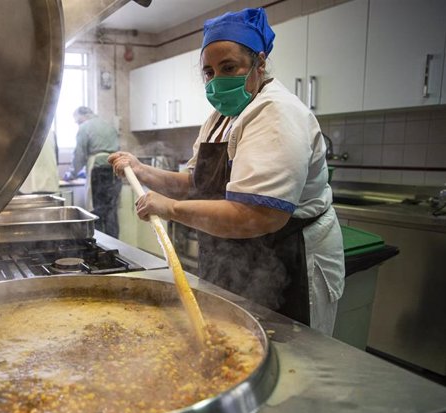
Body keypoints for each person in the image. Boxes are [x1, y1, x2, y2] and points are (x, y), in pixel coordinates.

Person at [109, 8, 344, 334]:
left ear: (259, 63)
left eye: (229, 67)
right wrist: (141, 170)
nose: (217, 80)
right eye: (209, 71)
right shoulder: (219, 118)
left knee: (294, 361)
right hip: (239, 255)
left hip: (289, 258)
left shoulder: (276, 113)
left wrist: (171, 209)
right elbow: (195, 183)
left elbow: (261, 215)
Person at [69, 106, 121, 237]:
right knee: (111, 211)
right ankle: (115, 246)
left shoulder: (84, 127)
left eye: (78, 121)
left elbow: (79, 155)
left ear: (83, 117)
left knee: (97, 210)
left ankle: (101, 244)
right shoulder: (108, 125)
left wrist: (72, 173)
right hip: (114, 170)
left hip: (98, 172)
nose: (78, 124)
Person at [19, 129, 60, 195]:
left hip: (30, 189)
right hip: (50, 186)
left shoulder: (22, 132)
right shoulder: (51, 133)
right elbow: (56, 161)